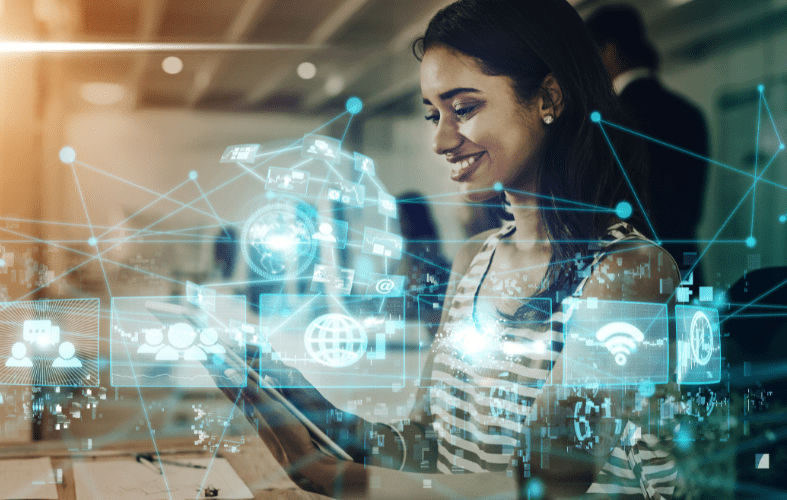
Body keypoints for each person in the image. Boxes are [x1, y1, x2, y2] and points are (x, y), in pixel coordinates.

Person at [214, 1, 682, 498]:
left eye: (463, 109)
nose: (440, 140)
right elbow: (427, 445)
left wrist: (340, 480)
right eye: (433, 114)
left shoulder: (631, 272)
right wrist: (313, 412)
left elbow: (549, 482)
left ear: (549, 97)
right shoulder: (473, 261)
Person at [586, 5, 709, 287]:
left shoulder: (607, 121)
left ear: (609, 51)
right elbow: (693, 208)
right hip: (688, 268)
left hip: (632, 277)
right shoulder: (691, 113)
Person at [393, 192, 452, 338]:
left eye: (399, 218)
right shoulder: (407, 258)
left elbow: (430, 314)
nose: (395, 224)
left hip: (424, 338)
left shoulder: (427, 263)